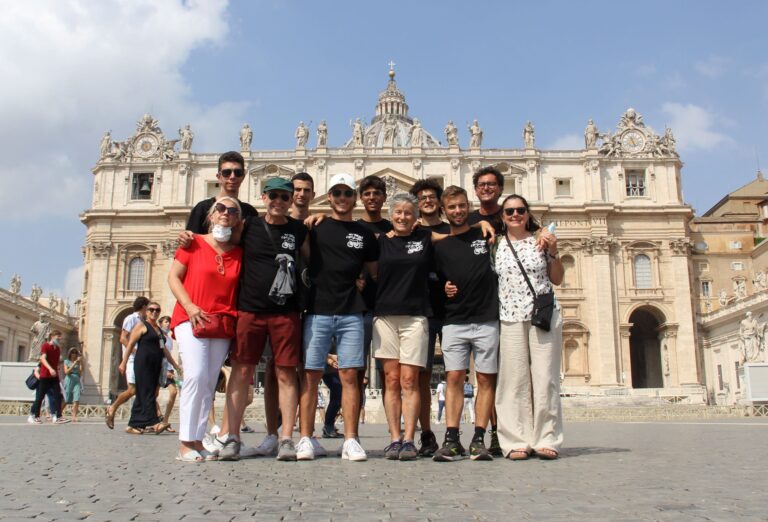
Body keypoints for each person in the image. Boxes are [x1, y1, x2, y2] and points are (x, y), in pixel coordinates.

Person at [212, 177, 308, 461]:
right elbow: (221, 244)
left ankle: (287, 437)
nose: (278, 201)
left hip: (285, 311)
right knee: (242, 372)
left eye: (284, 197)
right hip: (250, 309)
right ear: (263, 198)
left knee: (286, 373)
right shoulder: (249, 225)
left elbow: (310, 264)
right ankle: (232, 437)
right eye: (273, 196)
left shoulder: (299, 230)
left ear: (291, 201)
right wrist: (191, 237)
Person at [296, 173, 379, 462]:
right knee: (310, 377)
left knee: (350, 377)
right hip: (317, 310)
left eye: (347, 193)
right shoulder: (313, 227)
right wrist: (311, 216)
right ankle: (306, 437)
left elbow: (375, 271)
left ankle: (351, 440)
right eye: (337, 193)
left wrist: (364, 282)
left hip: (351, 312)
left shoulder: (365, 234)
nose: (343, 198)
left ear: (354, 197)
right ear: (329, 196)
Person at [169, 196, 243, 462]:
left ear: (237, 220)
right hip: (192, 318)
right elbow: (173, 277)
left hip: (222, 322)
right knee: (196, 376)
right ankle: (185, 442)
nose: (225, 213)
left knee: (209, 382)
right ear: (211, 216)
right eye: (220, 209)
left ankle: (199, 440)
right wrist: (189, 306)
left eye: (232, 211)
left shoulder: (238, 252)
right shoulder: (193, 242)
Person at [493, 194, 564, 461]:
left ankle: (547, 438)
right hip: (509, 317)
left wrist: (554, 252)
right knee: (513, 380)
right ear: (501, 216)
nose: (515, 215)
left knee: (545, 378)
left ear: (528, 213)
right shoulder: (495, 244)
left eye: (520, 210)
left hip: (542, 314)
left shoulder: (542, 240)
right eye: (509, 211)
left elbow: (557, 279)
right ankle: (515, 441)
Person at [432, 186, 499, 461]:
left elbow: (523, 225)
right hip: (454, 320)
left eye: (461, 206)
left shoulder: (485, 233)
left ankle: (479, 438)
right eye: (452, 208)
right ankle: (451, 438)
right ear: (443, 212)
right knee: (454, 378)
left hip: (486, 318)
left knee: (485, 379)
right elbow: (427, 277)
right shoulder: (439, 244)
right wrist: (442, 287)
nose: (457, 211)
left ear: (468, 207)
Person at [373, 193, 434, 460]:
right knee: (392, 380)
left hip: (415, 316)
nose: (402, 216)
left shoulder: (425, 239)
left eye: (408, 212)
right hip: (385, 316)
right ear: (391, 214)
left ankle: (410, 438)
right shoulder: (379, 242)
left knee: (410, 380)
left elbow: (454, 237)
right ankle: (394, 438)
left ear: (416, 216)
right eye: (397, 212)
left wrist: (483, 226)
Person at [409, 179, 448, 456]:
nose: (427, 200)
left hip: (455, 310)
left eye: (432, 196)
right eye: (421, 197)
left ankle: (459, 434)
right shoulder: (407, 230)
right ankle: (427, 434)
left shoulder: (454, 227)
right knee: (421, 376)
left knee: (458, 373)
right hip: (420, 310)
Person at [356, 175, 393, 406]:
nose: (372, 197)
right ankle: (353, 427)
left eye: (376, 193)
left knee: (388, 369)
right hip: (358, 306)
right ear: (360, 198)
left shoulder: (393, 227)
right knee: (356, 367)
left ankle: (394, 428)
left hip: (387, 305)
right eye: (367, 193)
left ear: (384, 197)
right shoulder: (354, 227)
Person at [120, 302, 179, 434]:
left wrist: (175, 365)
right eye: (151, 309)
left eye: (157, 310)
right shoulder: (141, 325)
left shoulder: (158, 330)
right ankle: (155, 423)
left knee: (146, 393)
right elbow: (130, 344)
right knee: (147, 393)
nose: (154, 312)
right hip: (143, 363)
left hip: (155, 365)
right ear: (146, 312)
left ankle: (133, 424)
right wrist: (123, 362)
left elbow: (164, 350)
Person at [180, 151, 258, 237]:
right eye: (226, 173)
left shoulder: (250, 212)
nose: (232, 177)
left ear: (243, 176)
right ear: (218, 177)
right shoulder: (202, 208)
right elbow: (192, 242)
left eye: (238, 172)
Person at [106, 296, 149, 429]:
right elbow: (123, 339)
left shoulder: (142, 320)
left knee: (144, 390)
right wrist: (135, 352)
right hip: (132, 359)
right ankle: (112, 407)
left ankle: (144, 420)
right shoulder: (131, 319)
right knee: (132, 390)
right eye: (148, 307)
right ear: (143, 307)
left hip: (139, 360)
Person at [28, 330, 69, 424]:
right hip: (45, 375)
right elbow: (42, 359)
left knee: (58, 395)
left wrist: (58, 365)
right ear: (52, 336)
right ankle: (32, 415)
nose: (60, 338)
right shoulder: (46, 346)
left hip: (54, 376)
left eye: (60, 337)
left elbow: (56, 361)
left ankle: (57, 416)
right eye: (58, 336)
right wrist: (50, 368)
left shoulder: (57, 349)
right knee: (40, 397)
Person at [157, 315, 179, 433]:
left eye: (169, 322)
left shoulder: (169, 339)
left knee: (174, 392)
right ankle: (159, 418)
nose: (168, 324)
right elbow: (161, 352)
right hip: (159, 367)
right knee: (153, 394)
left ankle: (165, 420)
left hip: (168, 368)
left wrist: (173, 367)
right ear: (160, 324)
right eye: (166, 322)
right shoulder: (159, 336)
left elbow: (168, 354)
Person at [467, 166, 504, 232]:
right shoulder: (467, 220)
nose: (486, 188)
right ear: (476, 190)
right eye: (481, 185)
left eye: (491, 184)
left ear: (501, 189)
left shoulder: (510, 216)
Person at [63, 348, 84, 422]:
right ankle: (59, 413)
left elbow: (81, 371)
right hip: (69, 379)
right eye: (72, 352)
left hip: (76, 379)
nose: (74, 354)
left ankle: (74, 416)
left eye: (75, 352)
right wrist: (74, 363)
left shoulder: (78, 362)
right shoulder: (66, 361)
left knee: (76, 398)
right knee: (67, 398)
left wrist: (81, 362)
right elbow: (66, 372)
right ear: (70, 353)